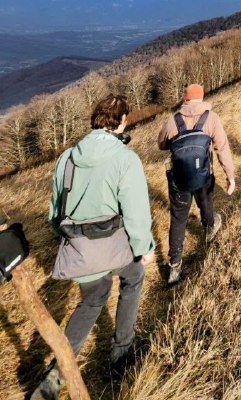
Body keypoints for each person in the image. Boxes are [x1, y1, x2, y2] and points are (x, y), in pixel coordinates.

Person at [32, 94, 155, 400]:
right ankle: (121, 352)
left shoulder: (68, 158)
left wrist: (67, 241)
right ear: (123, 120)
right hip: (115, 247)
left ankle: (53, 379)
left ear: (94, 119)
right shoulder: (125, 159)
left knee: (91, 302)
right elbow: (137, 211)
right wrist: (144, 247)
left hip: (81, 250)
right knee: (134, 277)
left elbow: (55, 212)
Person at [158, 83, 235, 285]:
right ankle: (209, 230)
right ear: (202, 97)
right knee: (206, 203)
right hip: (203, 176)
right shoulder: (211, 118)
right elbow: (222, 149)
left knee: (178, 219)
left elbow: (161, 144)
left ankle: (174, 266)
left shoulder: (173, 120)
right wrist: (230, 176)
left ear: (185, 98)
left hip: (179, 180)